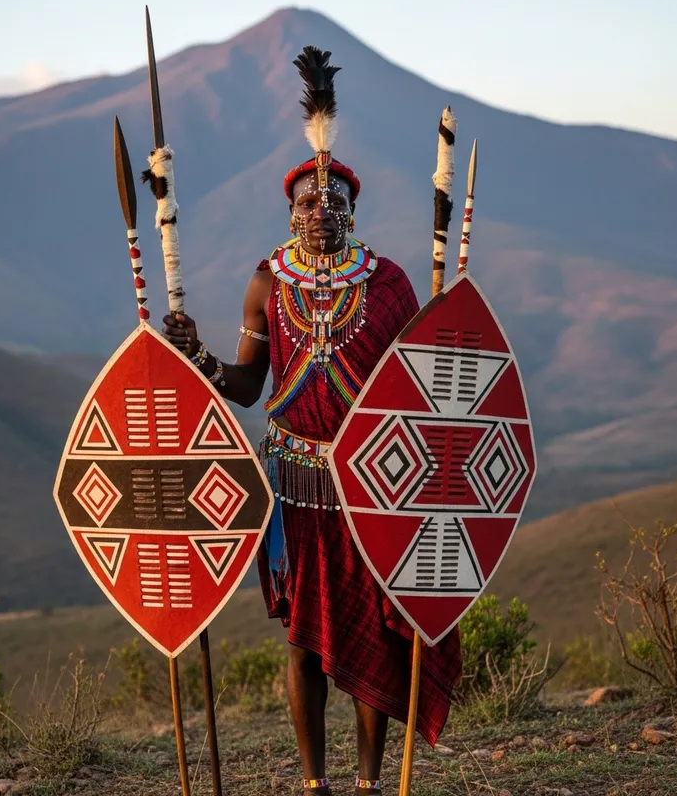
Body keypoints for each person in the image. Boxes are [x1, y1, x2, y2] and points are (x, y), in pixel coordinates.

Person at [162, 46, 461, 796]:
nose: (320, 214)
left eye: (335, 205)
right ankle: (313, 784)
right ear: (288, 211)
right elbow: (248, 384)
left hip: (369, 485)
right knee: (302, 641)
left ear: (355, 212)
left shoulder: (389, 283)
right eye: (306, 205)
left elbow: (418, 386)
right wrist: (198, 357)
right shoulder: (266, 284)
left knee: (370, 642)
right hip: (293, 488)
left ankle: (366, 783)